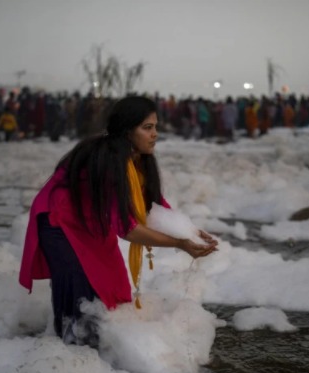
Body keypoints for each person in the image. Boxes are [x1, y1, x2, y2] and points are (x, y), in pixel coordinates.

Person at [19, 96, 218, 346]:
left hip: (89, 219)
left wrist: (190, 232)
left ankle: (103, 352)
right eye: (147, 128)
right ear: (127, 130)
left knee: (111, 286)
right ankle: (67, 354)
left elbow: (152, 206)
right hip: (58, 221)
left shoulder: (139, 157)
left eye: (155, 126)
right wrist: (180, 244)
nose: (155, 134)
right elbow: (127, 229)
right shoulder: (108, 159)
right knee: (79, 291)